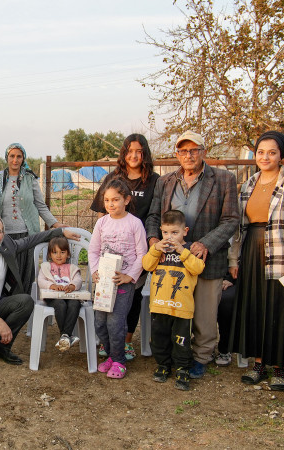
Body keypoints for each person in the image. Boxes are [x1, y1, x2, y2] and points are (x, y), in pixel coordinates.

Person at [145, 130, 240, 379]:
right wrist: (153, 239)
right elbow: (154, 216)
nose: (189, 155)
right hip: (171, 261)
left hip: (207, 258)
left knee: (205, 313)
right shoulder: (165, 182)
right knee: (174, 310)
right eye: (183, 151)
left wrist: (205, 244)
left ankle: (201, 356)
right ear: (177, 154)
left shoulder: (223, 179)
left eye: (194, 150)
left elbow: (231, 219)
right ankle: (175, 357)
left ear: (203, 152)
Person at [227, 131, 284, 391]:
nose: (265, 157)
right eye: (260, 152)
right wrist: (234, 257)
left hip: (282, 255)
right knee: (255, 307)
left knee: (280, 308)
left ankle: (280, 368)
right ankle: (258, 363)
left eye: (272, 152)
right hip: (251, 252)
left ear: (281, 155)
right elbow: (239, 226)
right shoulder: (250, 182)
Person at [0, 213, 79, 365]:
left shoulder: (6, 246)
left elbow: (30, 240)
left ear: (3, 235)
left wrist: (60, 232)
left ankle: (1, 349)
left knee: (25, 301)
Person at [90, 134, 159, 361]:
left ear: (145, 153)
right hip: (111, 253)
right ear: (124, 152)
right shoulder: (113, 178)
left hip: (136, 251)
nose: (134, 155)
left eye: (139, 151)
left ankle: (126, 342)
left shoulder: (154, 181)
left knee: (134, 297)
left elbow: (155, 214)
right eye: (129, 150)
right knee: (107, 301)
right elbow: (102, 211)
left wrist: (151, 240)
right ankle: (110, 343)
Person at [90, 178, 148, 379]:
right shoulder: (101, 223)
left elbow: (142, 254)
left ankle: (119, 361)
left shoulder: (135, 223)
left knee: (115, 322)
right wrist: (95, 272)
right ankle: (111, 356)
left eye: (115, 200)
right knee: (99, 321)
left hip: (123, 283)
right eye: (107, 200)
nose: (110, 204)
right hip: (103, 283)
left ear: (126, 200)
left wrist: (129, 276)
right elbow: (93, 250)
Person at [142, 210, 205, 390]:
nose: (170, 237)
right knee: (159, 339)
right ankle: (163, 365)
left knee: (181, 340)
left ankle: (182, 369)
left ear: (185, 231)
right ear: (161, 230)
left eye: (175, 233)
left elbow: (198, 268)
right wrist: (155, 249)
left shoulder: (189, 249)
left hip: (182, 308)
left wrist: (182, 251)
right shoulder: (158, 251)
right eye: (166, 232)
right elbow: (146, 265)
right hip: (159, 306)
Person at [0, 143, 65, 294]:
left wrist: (55, 224)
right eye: (12, 156)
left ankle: (25, 310)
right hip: (5, 237)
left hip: (27, 234)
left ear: (23, 158)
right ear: (7, 157)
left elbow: (40, 205)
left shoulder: (29, 178)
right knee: (5, 277)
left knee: (26, 276)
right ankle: (6, 312)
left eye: (19, 156)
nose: (15, 160)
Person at [36, 235, 83, 351]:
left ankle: (65, 336)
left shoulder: (72, 267)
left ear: (68, 254)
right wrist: (51, 285)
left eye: (62, 252)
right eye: (55, 252)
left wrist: (72, 286)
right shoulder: (46, 267)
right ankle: (67, 335)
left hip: (69, 296)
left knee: (75, 304)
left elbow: (78, 280)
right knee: (60, 304)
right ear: (49, 255)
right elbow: (40, 281)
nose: (58, 255)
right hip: (53, 297)